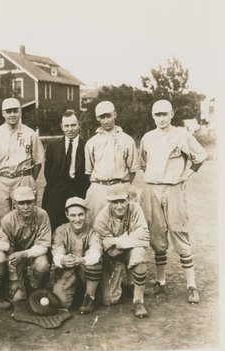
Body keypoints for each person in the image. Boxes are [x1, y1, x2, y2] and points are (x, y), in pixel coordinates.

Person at [140, 99, 207, 304]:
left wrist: (185, 176)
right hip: (152, 188)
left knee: (179, 233)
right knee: (157, 237)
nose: (161, 118)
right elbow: (144, 163)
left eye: (164, 114)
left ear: (172, 114)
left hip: (173, 188)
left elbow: (201, 155)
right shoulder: (148, 137)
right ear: (153, 116)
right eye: (157, 114)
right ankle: (160, 282)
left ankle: (191, 286)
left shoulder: (182, 135)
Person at [0, 98, 45, 221]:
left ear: (20, 112)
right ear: (3, 113)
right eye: (8, 111)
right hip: (0, 181)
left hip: (23, 178)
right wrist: (2, 175)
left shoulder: (31, 134)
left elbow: (38, 162)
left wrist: (28, 177)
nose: (12, 115)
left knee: (25, 217)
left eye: (15, 111)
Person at [93, 184, 150, 318]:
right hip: (113, 257)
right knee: (109, 300)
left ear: (128, 199)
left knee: (139, 253)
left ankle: (138, 300)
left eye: (122, 201)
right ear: (109, 202)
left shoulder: (136, 209)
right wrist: (131, 238)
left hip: (129, 250)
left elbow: (145, 237)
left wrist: (117, 241)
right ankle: (122, 284)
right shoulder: (101, 218)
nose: (119, 206)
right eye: (115, 202)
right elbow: (107, 247)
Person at [84, 100, 140, 224]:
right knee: (96, 224)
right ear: (97, 118)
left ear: (114, 114)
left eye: (108, 116)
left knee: (123, 224)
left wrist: (122, 184)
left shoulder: (127, 140)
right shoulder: (92, 142)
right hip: (99, 188)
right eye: (102, 117)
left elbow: (132, 170)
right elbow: (89, 171)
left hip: (121, 187)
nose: (106, 120)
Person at [51, 197, 102, 314]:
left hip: (86, 271)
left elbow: (96, 253)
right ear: (66, 215)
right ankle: (76, 291)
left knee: (95, 261)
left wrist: (81, 260)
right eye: (73, 215)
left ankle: (89, 297)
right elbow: (57, 251)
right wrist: (63, 260)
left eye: (81, 214)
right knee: (62, 303)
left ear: (86, 214)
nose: (77, 219)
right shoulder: (60, 230)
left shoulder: (92, 231)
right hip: (68, 271)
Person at [0, 186, 51, 302]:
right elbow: (8, 253)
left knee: (42, 264)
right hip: (14, 260)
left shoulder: (42, 215)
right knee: (17, 298)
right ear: (14, 204)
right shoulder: (7, 220)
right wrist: (13, 279)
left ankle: (38, 287)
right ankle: (15, 282)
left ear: (35, 202)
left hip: (32, 255)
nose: (26, 207)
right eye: (21, 203)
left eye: (29, 202)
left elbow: (43, 246)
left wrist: (23, 254)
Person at [42, 110, 90, 231]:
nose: (70, 129)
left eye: (73, 125)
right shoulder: (53, 147)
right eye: (66, 126)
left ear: (79, 125)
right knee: (53, 224)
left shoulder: (87, 146)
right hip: (56, 192)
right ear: (62, 127)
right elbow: (48, 172)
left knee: (77, 224)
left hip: (78, 191)